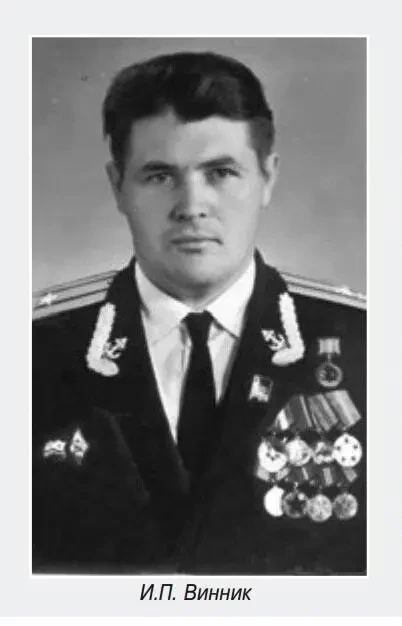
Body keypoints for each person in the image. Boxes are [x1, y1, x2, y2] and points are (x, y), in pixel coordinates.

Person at [32, 51, 366, 574]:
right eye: (159, 176)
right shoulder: (31, 349)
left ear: (268, 177)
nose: (191, 206)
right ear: (117, 185)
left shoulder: (372, 344)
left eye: (221, 172)